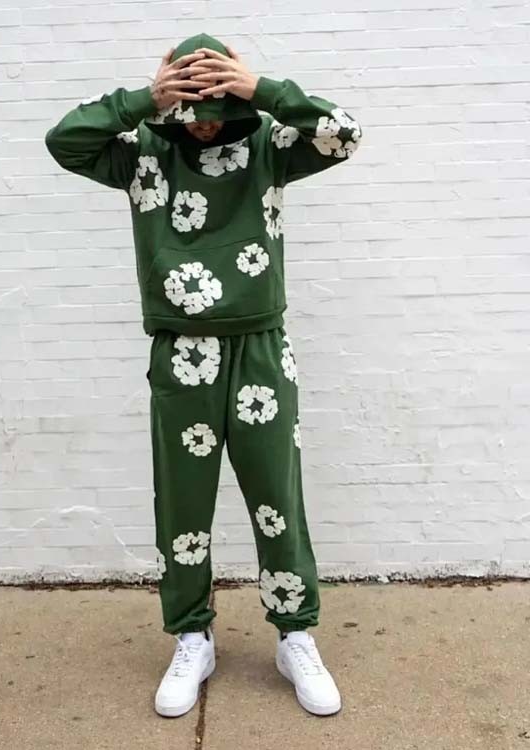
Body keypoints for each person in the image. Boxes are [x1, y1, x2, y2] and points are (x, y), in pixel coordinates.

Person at [44, 31, 362, 719]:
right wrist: (142, 100)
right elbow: (64, 141)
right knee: (183, 503)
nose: (206, 122)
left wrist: (262, 90)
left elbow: (343, 134)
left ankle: (295, 634)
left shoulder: (267, 146)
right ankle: (192, 635)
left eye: (217, 106)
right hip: (180, 349)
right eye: (193, 108)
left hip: (259, 347)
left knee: (277, 496)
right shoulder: (142, 152)